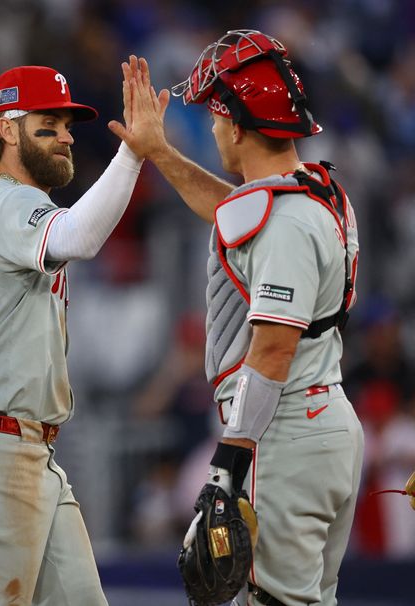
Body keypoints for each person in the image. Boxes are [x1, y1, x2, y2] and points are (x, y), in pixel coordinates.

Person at [0, 61, 158, 605]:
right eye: (47, 125)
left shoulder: (19, 208)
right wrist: (133, 153)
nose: (66, 137)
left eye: (68, 126)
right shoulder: (7, 200)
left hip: (27, 453)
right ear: (6, 129)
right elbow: (81, 235)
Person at [138, 31, 364, 605]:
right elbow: (236, 214)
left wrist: (227, 461)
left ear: (236, 126)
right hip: (320, 418)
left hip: (283, 429)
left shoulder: (285, 223)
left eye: (215, 119)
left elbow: (271, 350)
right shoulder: (310, 194)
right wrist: (159, 152)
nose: (213, 131)